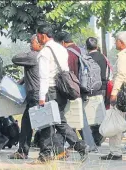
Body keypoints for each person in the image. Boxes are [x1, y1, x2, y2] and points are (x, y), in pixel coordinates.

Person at [35, 25, 88, 163]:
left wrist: (42, 97)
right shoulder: (61, 49)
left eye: (38, 35)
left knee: (55, 122)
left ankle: (79, 146)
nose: (37, 38)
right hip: (62, 91)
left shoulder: (44, 53)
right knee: (53, 122)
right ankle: (45, 154)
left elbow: (44, 77)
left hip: (50, 90)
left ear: (44, 35)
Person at [101, 31, 126, 161]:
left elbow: (121, 76)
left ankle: (115, 151)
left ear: (121, 43)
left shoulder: (123, 56)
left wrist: (114, 93)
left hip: (124, 93)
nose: (115, 43)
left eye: (116, 41)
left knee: (116, 121)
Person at [8, 34, 42, 159]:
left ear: (39, 44)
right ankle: (23, 150)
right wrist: (22, 81)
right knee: (31, 123)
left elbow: (15, 58)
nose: (30, 45)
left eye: (31, 43)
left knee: (34, 123)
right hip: (38, 94)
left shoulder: (33, 56)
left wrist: (29, 52)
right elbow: (33, 73)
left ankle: (24, 151)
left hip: (35, 94)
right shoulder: (42, 56)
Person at [85, 37, 109, 147]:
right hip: (102, 88)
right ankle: (99, 135)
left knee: (91, 114)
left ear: (86, 47)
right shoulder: (103, 57)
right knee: (99, 113)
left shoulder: (86, 58)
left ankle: (95, 138)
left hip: (91, 89)